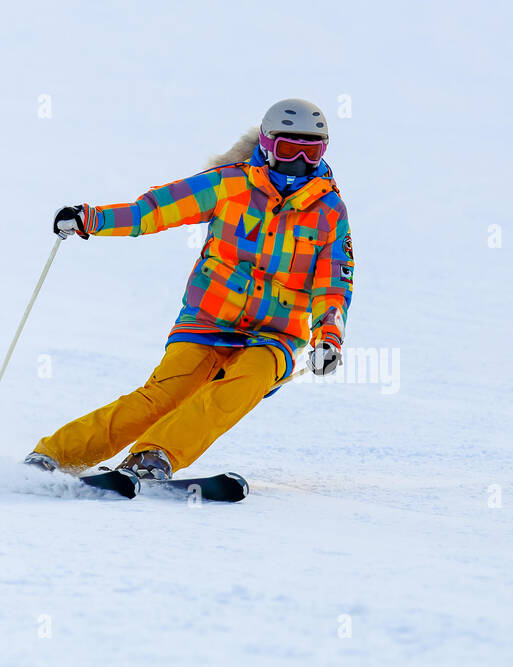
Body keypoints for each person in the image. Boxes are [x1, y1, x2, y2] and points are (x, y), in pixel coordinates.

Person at [24, 97, 353, 480]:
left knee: (236, 391)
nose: (298, 161)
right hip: (208, 320)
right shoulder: (230, 185)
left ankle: (153, 458)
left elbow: (334, 284)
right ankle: (54, 456)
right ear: (266, 144)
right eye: (288, 149)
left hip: (273, 335)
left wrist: (328, 338)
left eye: (310, 151)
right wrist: (91, 219)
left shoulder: (329, 212)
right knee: (159, 398)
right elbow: (155, 210)